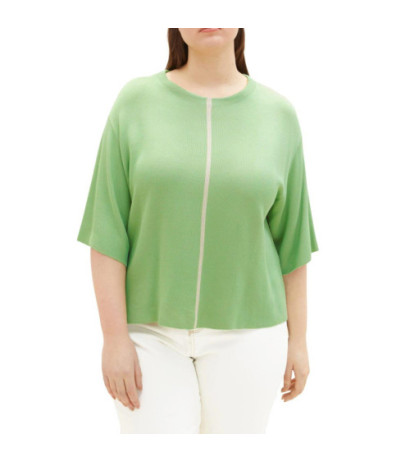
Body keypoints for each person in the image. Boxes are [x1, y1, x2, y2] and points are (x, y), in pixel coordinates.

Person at [76, 28, 319, 434]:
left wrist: (299, 340)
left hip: (250, 334)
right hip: (148, 334)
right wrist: (113, 338)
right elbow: (107, 231)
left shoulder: (278, 115)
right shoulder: (135, 102)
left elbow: (292, 243)